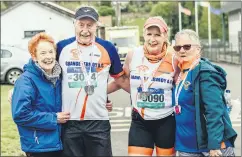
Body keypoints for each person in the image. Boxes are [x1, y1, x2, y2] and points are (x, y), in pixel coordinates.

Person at [57, 6, 129, 157]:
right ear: (74, 24)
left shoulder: (107, 48)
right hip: (69, 121)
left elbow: (121, 80)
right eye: (81, 25)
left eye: (90, 25)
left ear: (97, 26)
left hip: (98, 121)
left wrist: (140, 93)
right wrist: (18, 88)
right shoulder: (62, 47)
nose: (85, 30)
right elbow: (41, 68)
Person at [108, 16, 178, 156]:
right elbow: (121, 80)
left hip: (166, 121)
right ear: (144, 35)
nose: (153, 39)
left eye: (157, 35)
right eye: (149, 34)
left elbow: (182, 87)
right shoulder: (133, 55)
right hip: (140, 121)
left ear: (165, 36)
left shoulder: (174, 57)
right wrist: (97, 94)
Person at [173, 29, 237, 156]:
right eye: (178, 47)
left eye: (187, 46)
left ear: (198, 49)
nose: (182, 50)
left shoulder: (205, 73)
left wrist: (214, 145)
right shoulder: (181, 72)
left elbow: (214, 110)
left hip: (209, 148)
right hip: (187, 147)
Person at [11, 33, 70, 157]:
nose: (48, 56)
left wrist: (104, 102)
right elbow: (21, 115)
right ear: (34, 56)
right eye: (43, 53)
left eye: (51, 52)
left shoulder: (59, 77)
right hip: (38, 147)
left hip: (60, 143)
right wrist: (54, 118)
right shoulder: (25, 81)